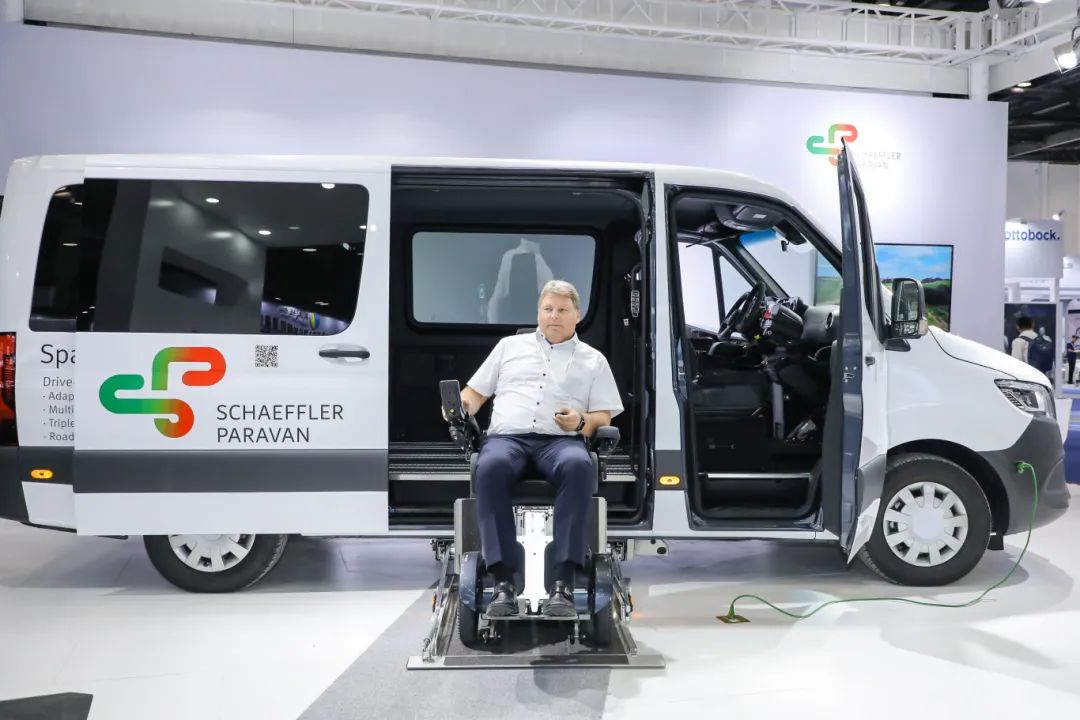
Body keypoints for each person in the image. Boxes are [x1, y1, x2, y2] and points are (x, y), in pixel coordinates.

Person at [450, 280, 623, 618]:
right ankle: (503, 583)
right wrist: (459, 407)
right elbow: (475, 394)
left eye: (562, 310)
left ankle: (562, 583)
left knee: (578, 466)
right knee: (490, 466)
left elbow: (603, 417)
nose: (553, 316)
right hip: (507, 440)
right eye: (548, 309)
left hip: (561, 442)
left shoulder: (593, 360)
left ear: (577, 315)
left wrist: (580, 421)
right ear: (538, 313)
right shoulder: (508, 347)